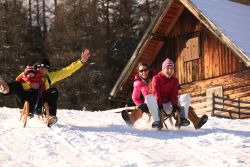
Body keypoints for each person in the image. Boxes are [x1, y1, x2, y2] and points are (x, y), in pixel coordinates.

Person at [0, 49, 91, 126]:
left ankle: (50, 117)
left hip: (38, 102)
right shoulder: (29, 73)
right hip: (24, 99)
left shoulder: (49, 77)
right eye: (41, 68)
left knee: (53, 91)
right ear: (37, 67)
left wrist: (81, 61)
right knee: (17, 85)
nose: (43, 70)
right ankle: (4, 89)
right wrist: (30, 84)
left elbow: (66, 71)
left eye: (46, 69)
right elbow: (18, 80)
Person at [151, 58, 208, 129]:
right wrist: (160, 107)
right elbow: (156, 93)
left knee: (186, 96)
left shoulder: (175, 80)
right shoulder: (156, 78)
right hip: (158, 106)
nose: (170, 70)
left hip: (169, 105)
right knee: (149, 98)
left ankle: (181, 120)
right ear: (163, 69)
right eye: (167, 68)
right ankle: (158, 121)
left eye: (172, 68)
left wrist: (175, 107)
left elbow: (174, 94)